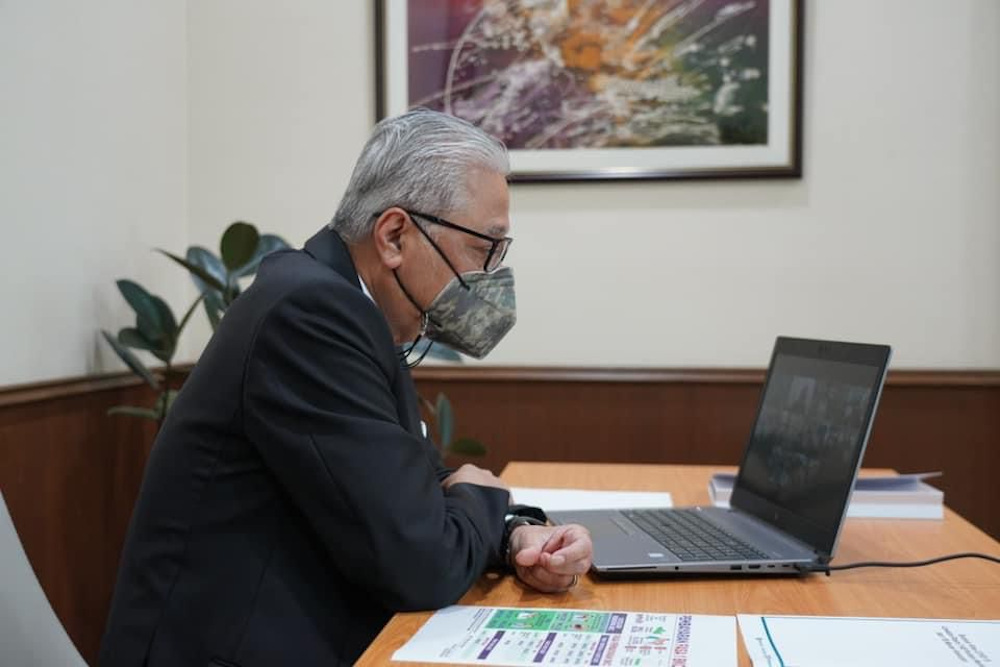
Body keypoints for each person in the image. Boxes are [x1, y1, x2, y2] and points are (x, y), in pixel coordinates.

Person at [99, 108, 593, 667]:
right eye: (486, 248)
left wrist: (512, 534)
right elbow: (421, 562)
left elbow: (406, 480)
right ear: (394, 236)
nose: (491, 274)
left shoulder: (338, 300)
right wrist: (481, 491)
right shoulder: (312, 313)